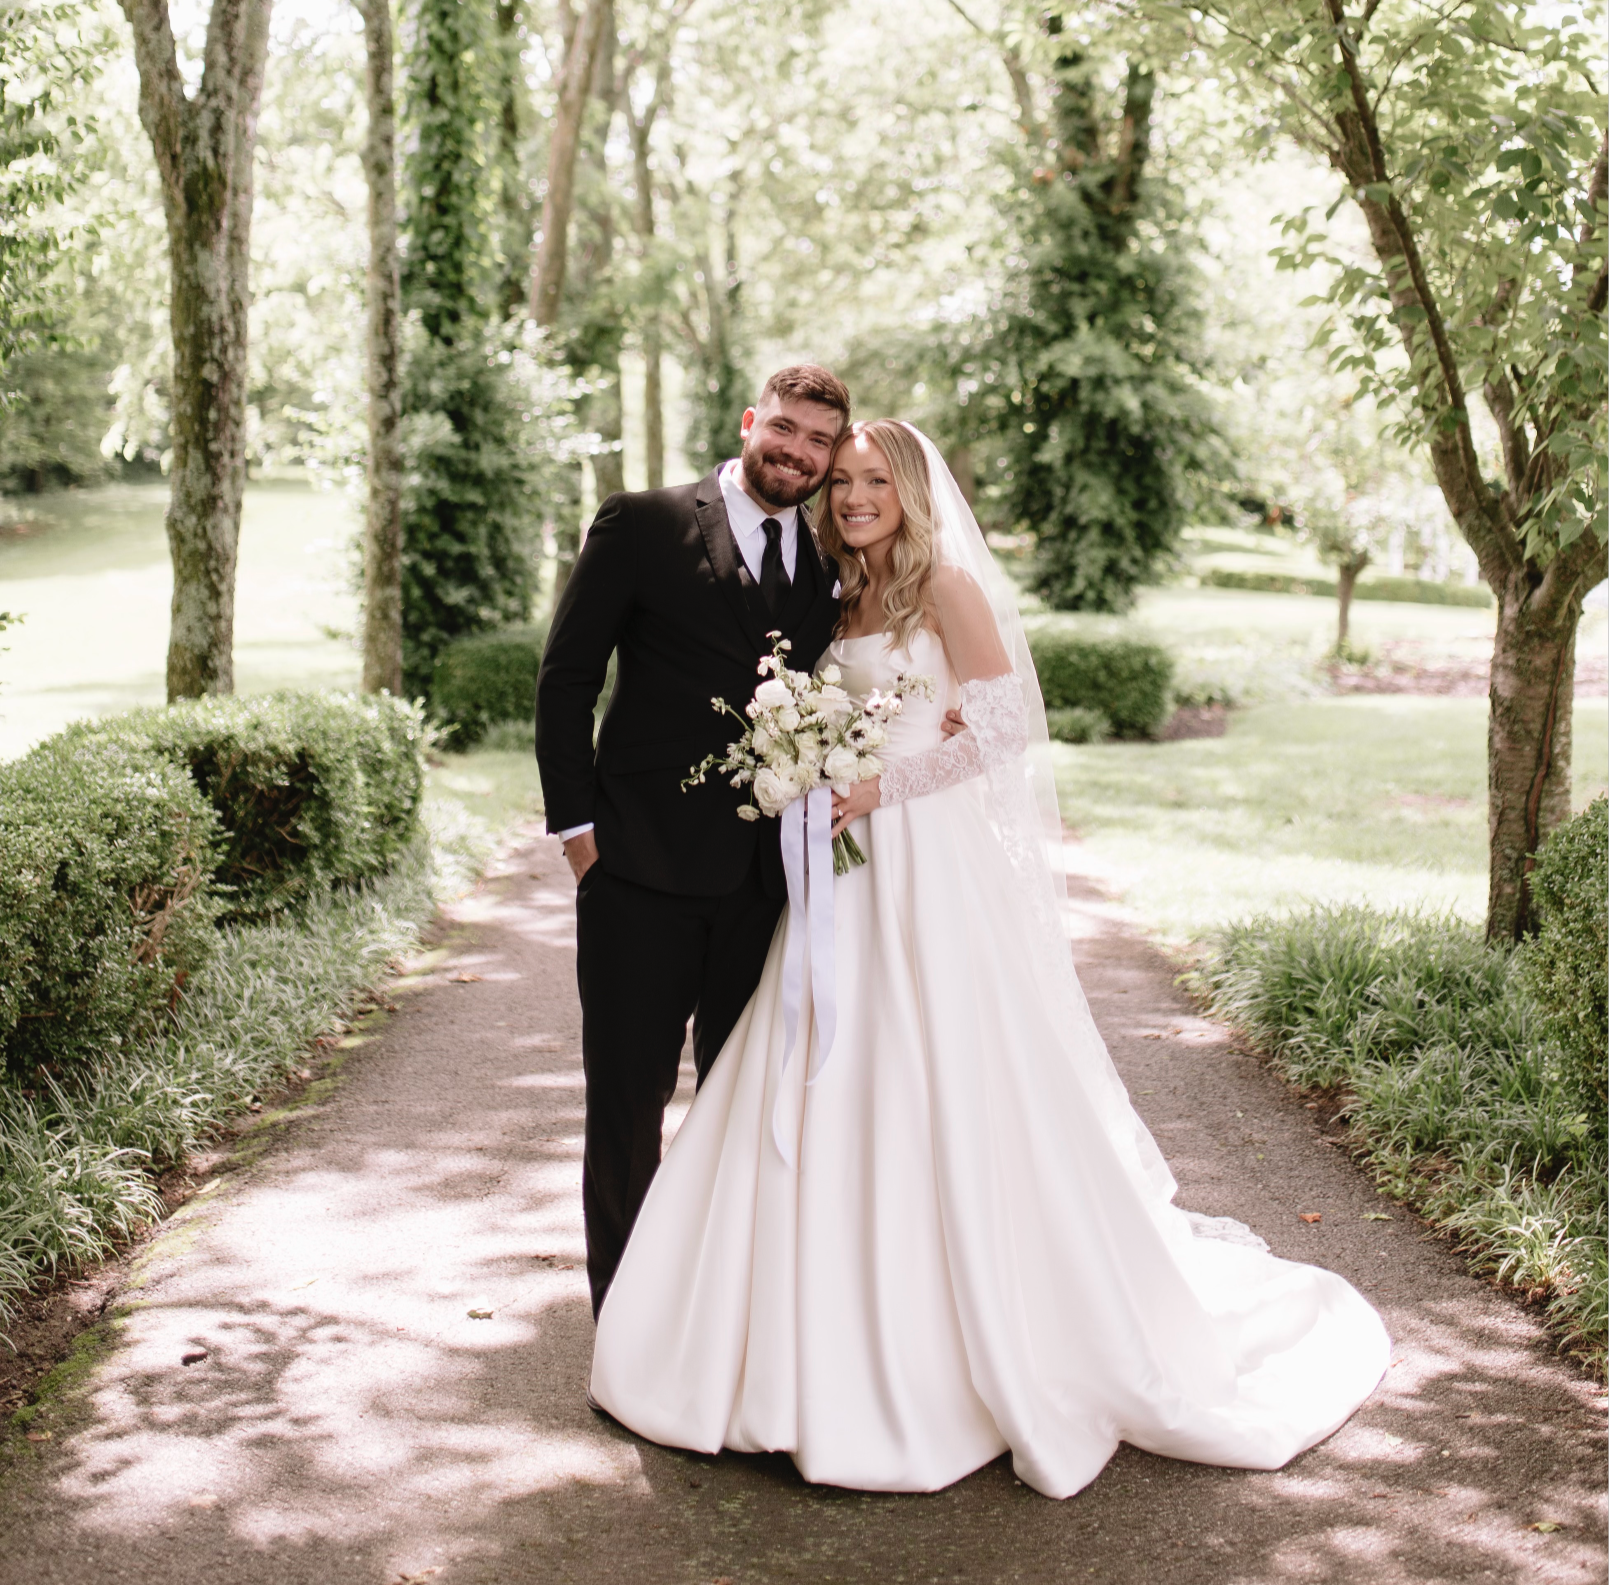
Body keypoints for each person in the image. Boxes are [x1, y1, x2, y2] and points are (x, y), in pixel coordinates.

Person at [588, 419, 1391, 1500]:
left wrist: (879, 788)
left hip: (928, 866)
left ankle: (951, 1346)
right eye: (846, 481)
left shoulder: (945, 591)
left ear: (914, 492)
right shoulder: (833, 594)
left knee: (937, 1073)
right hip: (843, 879)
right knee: (821, 1068)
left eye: (879, 480)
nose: (858, 495)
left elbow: (1004, 731)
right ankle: (785, 1340)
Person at [535, 363, 850, 1316]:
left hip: (767, 887)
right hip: (636, 871)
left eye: (817, 442)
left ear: (832, 456)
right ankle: (622, 1314)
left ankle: (713, 1310)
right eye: (784, 429)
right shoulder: (643, 522)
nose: (795, 452)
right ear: (752, 420)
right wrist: (580, 835)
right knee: (627, 1105)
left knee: (740, 1101)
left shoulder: (832, 561)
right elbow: (566, 678)